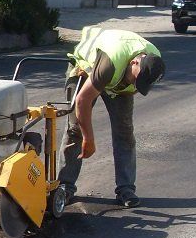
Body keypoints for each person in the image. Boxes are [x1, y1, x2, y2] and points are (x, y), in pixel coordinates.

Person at [58, 27, 166, 208]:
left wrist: (133, 83)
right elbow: (82, 101)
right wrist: (89, 138)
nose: (136, 85)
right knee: (75, 130)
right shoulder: (110, 62)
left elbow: (139, 82)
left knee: (124, 133)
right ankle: (64, 187)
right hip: (85, 71)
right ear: (134, 63)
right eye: (136, 79)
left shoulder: (154, 61)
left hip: (117, 82)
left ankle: (126, 189)